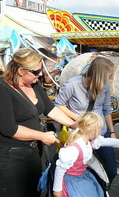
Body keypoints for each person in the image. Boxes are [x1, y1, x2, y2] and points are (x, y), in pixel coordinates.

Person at [0, 47, 76, 197]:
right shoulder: (3, 89)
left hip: (34, 152)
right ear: (20, 71)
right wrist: (42, 136)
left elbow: (50, 109)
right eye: (35, 72)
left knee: (34, 193)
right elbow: (10, 129)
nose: (40, 74)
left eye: (40, 70)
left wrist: (75, 125)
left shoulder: (34, 85)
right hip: (10, 156)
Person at [54, 56, 118, 184]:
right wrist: (78, 119)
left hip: (100, 132)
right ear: (99, 75)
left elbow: (107, 109)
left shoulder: (104, 86)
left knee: (111, 170)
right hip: (80, 134)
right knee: (79, 169)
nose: (110, 79)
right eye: (109, 75)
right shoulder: (72, 84)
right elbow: (58, 105)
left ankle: (101, 188)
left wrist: (112, 132)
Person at [53, 112, 119, 197]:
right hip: (71, 181)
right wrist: (57, 190)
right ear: (93, 131)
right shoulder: (74, 149)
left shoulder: (88, 140)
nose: (101, 132)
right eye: (100, 129)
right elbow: (60, 169)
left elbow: (105, 141)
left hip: (80, 176)